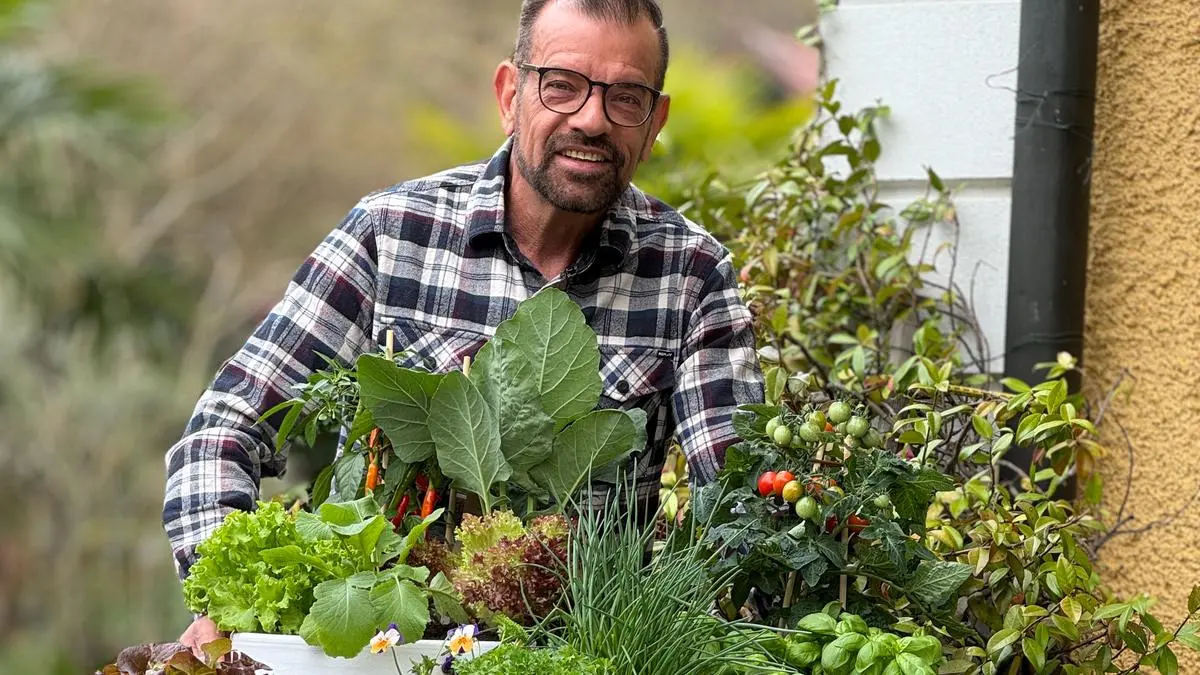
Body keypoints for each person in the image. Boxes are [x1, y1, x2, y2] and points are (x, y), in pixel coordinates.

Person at [167, 0, 764, 654]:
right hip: (384, 653)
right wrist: (223, 595)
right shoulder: (390, 237)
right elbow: (229, 421)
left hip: (578, 661)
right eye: (561, 86)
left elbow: (737, 506)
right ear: (511, 95)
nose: (592, 119)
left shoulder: (690, 274)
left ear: (655, 124)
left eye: (626, 97)